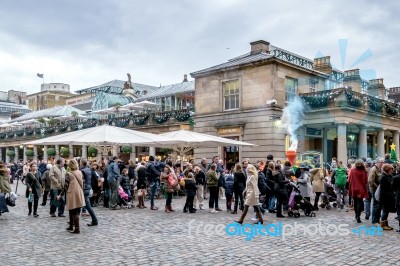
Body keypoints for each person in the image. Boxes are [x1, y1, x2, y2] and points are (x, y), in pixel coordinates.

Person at [62, 159, 85, 234]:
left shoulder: (68, 174)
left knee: (73, 210)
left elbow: (66, 186)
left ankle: (77, 228)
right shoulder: (80, 172)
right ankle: (71, 226)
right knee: (76, 209)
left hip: (71, 193)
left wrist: (61, 194)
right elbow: (82, 182)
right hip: (79, 192)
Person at [80, 158, 98, 226]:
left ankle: (95, 220)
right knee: (79, 205)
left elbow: (81, 180)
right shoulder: (89, 169)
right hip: (87, 188)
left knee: (88, 206)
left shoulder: (82, 171)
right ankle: (72, 220)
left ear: (81, 163)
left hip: (84, 189)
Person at [379, 164, 395, 230]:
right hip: (385, 196)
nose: (392, 170)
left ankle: (386, 224)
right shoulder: (383, 177)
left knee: (387, 210)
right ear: (388, 169)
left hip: (388, 196)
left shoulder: (388, 175)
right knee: (385, 210)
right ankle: (382, 225)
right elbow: (383, 188)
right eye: (391, 169)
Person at [368, 158, 384, 224]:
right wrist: (377, 187)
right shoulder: (373, 169)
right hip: (374, 189)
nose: (382, 164)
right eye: (381, 162)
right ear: (377, 162)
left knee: (379, 205)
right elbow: (370, 181)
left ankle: (377, 219)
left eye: (383, 162)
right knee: (375, 204)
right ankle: (374, 220)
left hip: (378, 189)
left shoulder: (379, 169)